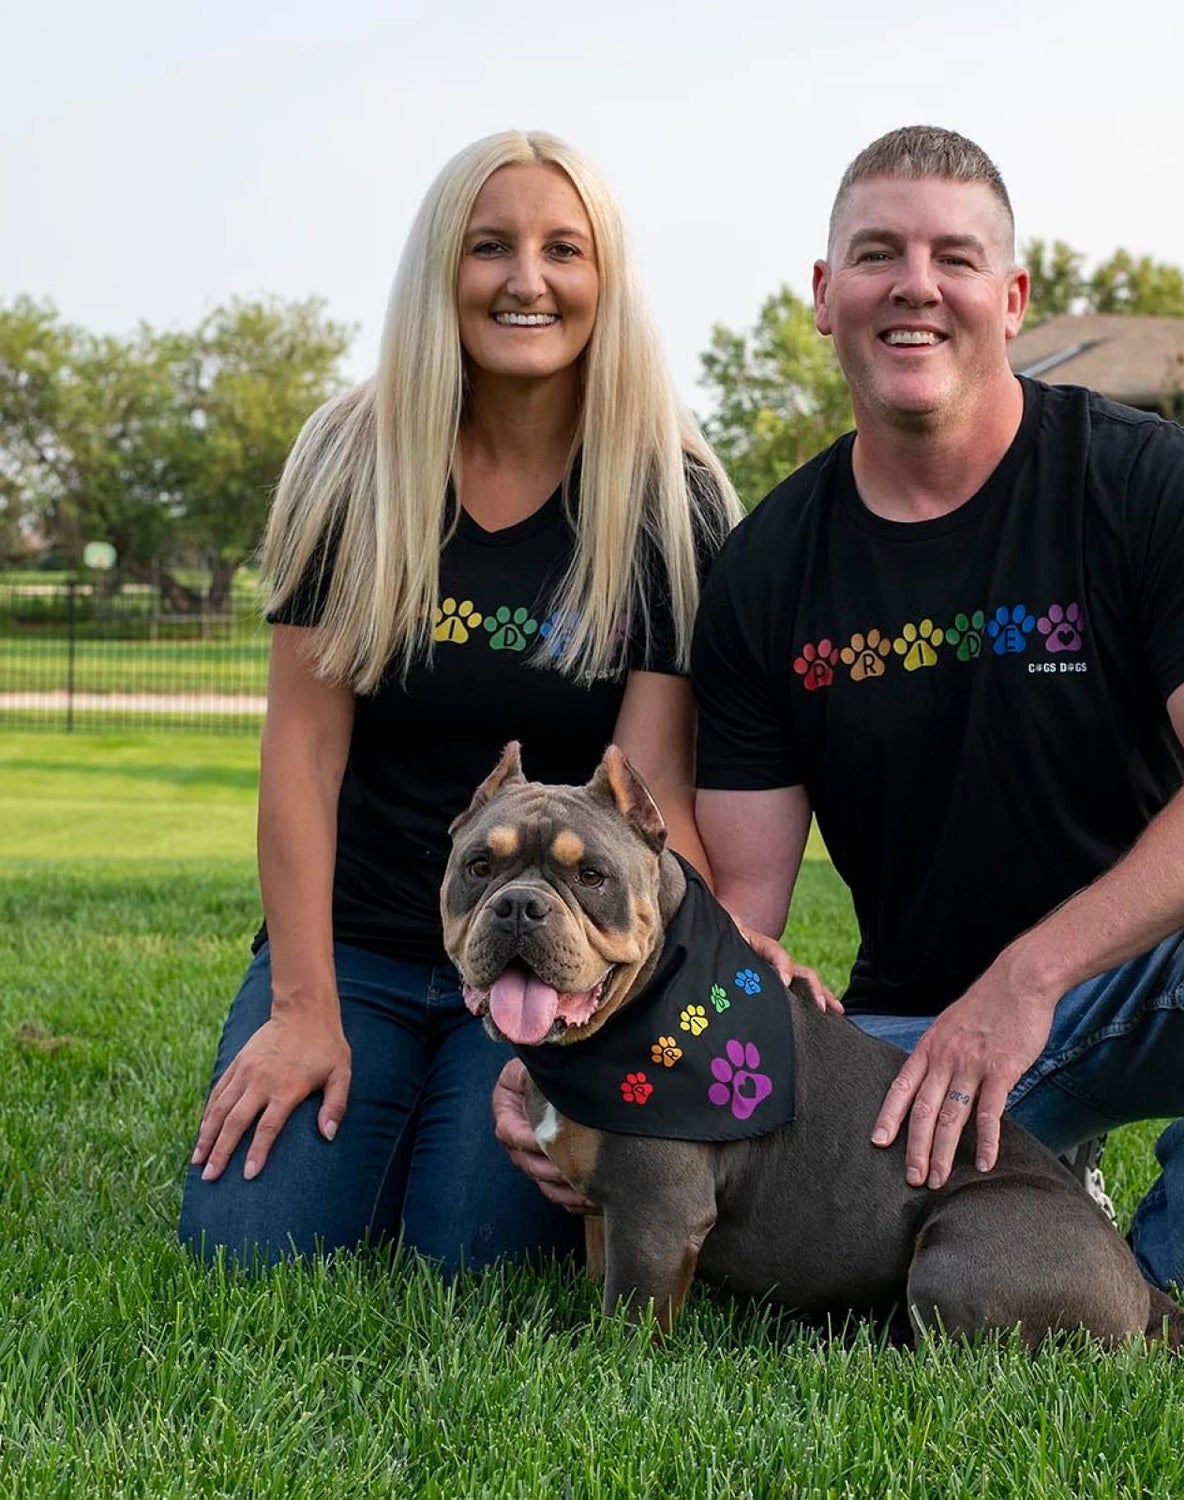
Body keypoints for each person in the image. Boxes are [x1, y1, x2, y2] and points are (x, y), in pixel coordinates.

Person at [685, 126, 1184, 1299]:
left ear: (1012, 298)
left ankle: (1173, 1273)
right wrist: (615, 1054)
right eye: (877, 254)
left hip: (1134, 981)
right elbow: (741, 917)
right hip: (908, 1043)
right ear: (824, 297)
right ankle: (1039, 1176)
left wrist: (1026, 983)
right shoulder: (766, 568)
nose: (916, 285)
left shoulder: (1146, 483)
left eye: (955, 258)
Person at [179, 130, 741, 1272]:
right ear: (444, 269)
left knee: (478, 1254)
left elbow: (652, 801)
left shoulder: (669, 499)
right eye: (491, 247)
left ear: (605, 279)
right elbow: (301, 761)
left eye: (562, 250)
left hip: (568, 966)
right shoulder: (352, 461)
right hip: (365, 950)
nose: (525, 280)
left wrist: (663, 1004)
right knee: (251, 1249)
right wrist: (301, 1007)